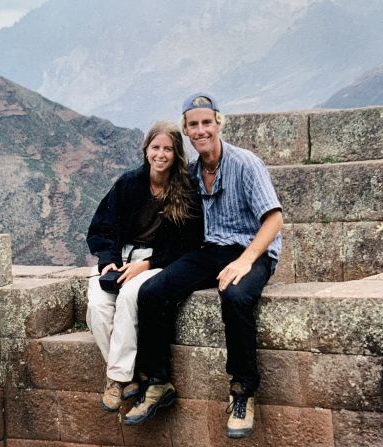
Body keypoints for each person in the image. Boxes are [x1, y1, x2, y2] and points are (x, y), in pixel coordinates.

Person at [125, 93, 282, 439]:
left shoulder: (245, 163)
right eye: (193, 125)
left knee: (236, 297)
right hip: (211, 250)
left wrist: (245, 260)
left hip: (251, 250)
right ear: (186, 129)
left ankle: (243, 391)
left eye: (206, 123)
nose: (201, 130)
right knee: (152, 292)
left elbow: (274, 219)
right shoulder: (192, 174)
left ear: (218, 123)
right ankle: (157, 382)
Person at [86, 120, 203, 413]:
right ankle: (133, 376)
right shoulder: (129, 184)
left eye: (168, 149)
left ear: (177, 154)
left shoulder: (185, 191)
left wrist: (147, 264)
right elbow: (104, 225)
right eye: (155, 147)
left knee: (128, 298)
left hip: (156, 261)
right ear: (146, 149)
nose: (161, 154)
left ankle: (115, 380)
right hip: (122, 257)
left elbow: (187, 243)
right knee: (98, 306)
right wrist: (108, 260)